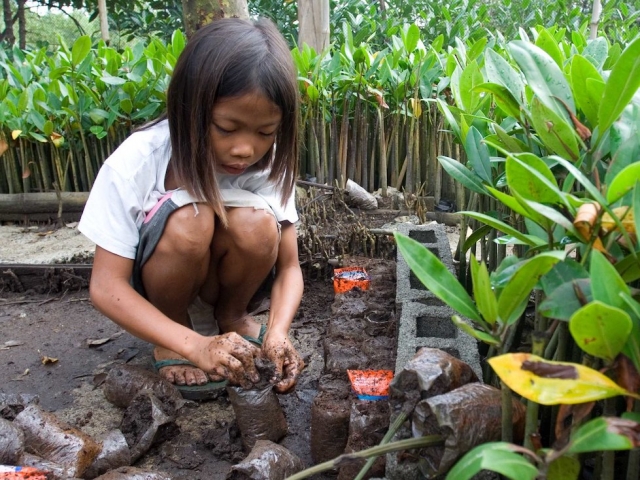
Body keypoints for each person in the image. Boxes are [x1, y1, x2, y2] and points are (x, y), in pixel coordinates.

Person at [78, 17, 305, 398]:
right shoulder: (138, 161)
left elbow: (289, 267)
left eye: (266, 132)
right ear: (190, 109)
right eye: (227, 128)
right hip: (162, 289)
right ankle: (173, 333)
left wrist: (279, 331)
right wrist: (195, 347)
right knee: (190, 220)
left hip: (225, 287)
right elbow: (105, 286)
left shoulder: (270, 163)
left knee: (258, 225)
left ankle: (231, 316)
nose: (245, 149)